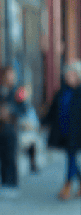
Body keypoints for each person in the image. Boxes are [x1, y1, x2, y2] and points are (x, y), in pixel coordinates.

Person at [43, 60, 81, 199]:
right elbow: (53, 111)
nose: (68, 77)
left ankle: (67, 186)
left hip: (76, 132)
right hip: (63, 131)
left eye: (71, 74)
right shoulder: (62, 92)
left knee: (71, 157)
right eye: (67, 74)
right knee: (71, 158)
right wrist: (43, 122)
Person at [0, 65, 25, 196]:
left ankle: (13, 183)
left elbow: (23, 109)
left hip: (11, 129)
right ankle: (3, 182)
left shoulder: (18, 91)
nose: (10, 77)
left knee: (11, 156)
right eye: (8, 74)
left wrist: (10, 111)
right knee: (1, 156)